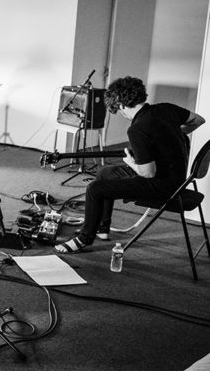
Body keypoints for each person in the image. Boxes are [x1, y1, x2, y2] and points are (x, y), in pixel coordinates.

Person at [55, 76, 205, 253]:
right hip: (178, 177)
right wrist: (174, 136)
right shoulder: (166, 108)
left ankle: (84, 239)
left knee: (95, 189)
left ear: (120, 105)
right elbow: (198, 120)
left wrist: (131, 163)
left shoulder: (137, 128)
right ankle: (102, 228)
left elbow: (148, 173)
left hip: (163, 185)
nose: (121, 114)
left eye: (118, 109)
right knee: (104, 173)